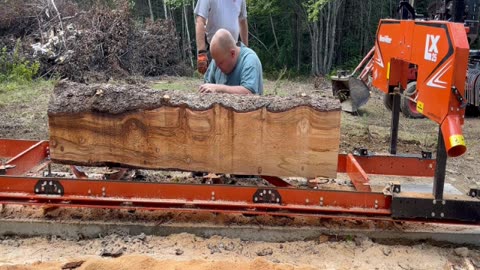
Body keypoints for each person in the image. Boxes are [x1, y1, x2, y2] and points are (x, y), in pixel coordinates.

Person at [198, 29, 263, 95]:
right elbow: (207, 88)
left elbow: (249, 92)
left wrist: (218, 88)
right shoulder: (217, 60)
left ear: (232, 53)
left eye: (221, 63)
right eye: (215, 62)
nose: (217, 66)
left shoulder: (249, 60)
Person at [194, 0, 248, 74]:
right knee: (212, 83)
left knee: (234, 82)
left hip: (234, 50)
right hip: (214, 50)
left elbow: (243, 21)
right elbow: (200, 21)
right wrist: (201, 53)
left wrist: (245, 49)